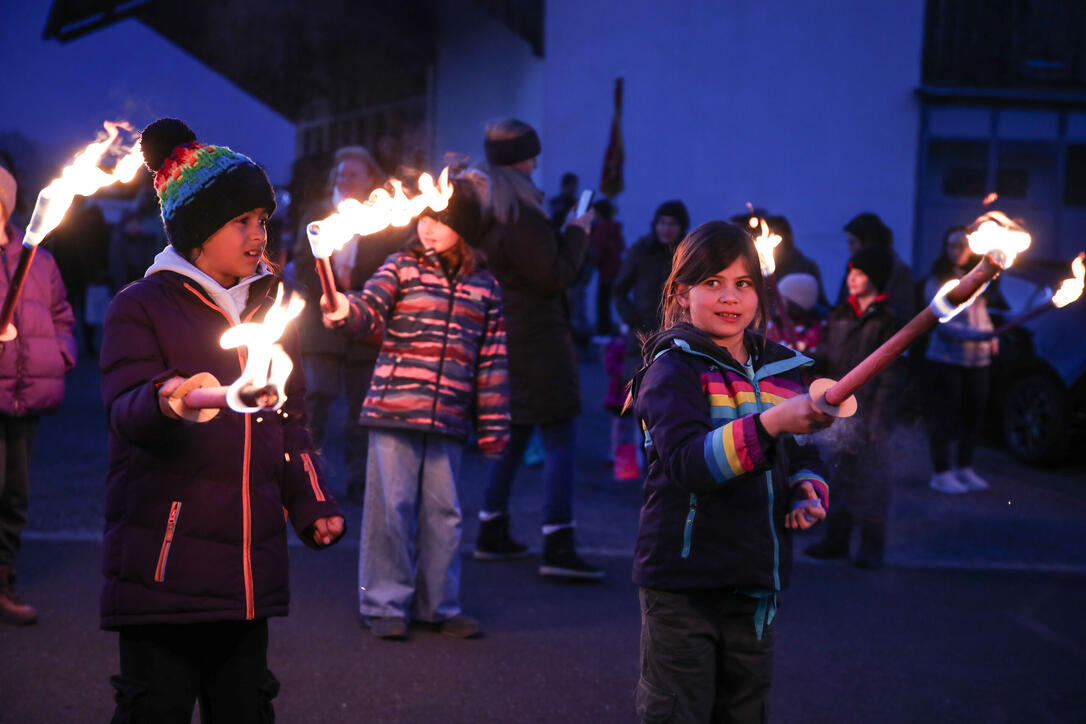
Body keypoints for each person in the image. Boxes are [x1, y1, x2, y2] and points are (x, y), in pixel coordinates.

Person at [99, 118, 344, 721]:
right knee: (154, 708)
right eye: (242, 222)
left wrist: (311, 502)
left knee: (245, 708)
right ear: (197, 232)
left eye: (263, 220)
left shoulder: (269, 311)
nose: (259, 234)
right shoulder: (141, 306)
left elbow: (289, 422)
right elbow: (126, 404)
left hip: (245, 573)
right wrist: (169, 397)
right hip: (166, 569)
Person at [628, 220, 832, 723]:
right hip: (683, 583)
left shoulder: (781, 370)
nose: (729, 297)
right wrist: (769, 424)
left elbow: (799, 450)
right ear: (681, 295)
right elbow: (688, 464)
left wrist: (807, 486)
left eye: (742, 284)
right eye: (712, 282)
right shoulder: (672, 369)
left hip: (756, 579)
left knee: (744, 711)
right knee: (678, 711)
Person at [321, 174, 509, 639]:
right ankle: (385, 604)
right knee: (391, 509)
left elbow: (492, 361)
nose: (428, 226)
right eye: (425, 217)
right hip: (394, 409)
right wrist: (344, 310)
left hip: (447, 416)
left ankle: (438, 605)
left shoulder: (485, 288)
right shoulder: (400, 267)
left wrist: (493, 425)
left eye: (441, 220)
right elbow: (369, 309)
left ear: (464, 228)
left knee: (444, 515)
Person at [472, 118, 602, 579]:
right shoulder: (522, 215)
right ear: (522, 160)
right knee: (560, 435)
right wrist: (577, 232)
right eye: (531, 155)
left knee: (518, 432)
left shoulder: (488, 210)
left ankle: (491, 528)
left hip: (508, 335)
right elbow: (552, 277)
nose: (536, 162)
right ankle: (558, 543)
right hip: (539, 339)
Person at [293, 146, 405, 505]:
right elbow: (300, 260)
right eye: (342, 175)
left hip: (364, 323)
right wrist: (329, 287)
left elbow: (391, 268)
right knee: (316, 399)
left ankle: (359, 479)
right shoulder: (316, 215)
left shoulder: (385, 221)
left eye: (354, 175)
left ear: (370, 179)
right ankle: (306, 477)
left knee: (363, 406)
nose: (346, 180)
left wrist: (356, 289)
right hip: (320, 325)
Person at [0, 162, 77, 625]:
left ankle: (3, 578)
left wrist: (60, 355)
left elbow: (62, 316)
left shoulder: (39, 262)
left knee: (14, 493)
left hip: (25, 396)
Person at [806, 247, 904, 569]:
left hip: (872, 411)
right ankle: (837, 539)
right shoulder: (841, 315)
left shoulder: (888, 322)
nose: (851, 278)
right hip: (841, 412)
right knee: (840, 474)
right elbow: (828, 357)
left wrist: (879, 424)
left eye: (859, 273)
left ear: (874, 279)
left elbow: (890, 377)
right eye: (850, 272)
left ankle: (872, 546)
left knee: (873, 481)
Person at [923, 226, 997, 494]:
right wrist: (980, 335)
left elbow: (981, 313)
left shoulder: (980, 278)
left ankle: (964, 467)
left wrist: (991, 338)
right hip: (946, 360)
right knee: (945, 416)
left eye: (963, 246)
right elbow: (942, 322)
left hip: (977, 362)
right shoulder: (938, 279)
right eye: (953, 245)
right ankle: (941, 472)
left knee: (972, 415)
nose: (958, 251)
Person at [613, 200, 689, 380]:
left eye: (672, 224)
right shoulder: (641, 251)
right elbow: (619, 289)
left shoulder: (688, 253)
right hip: (644, 329)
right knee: (639, 384)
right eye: (662, 223)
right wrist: (631, 318)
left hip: (679, 329)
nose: (666, 229)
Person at [837, 212, 914, 317]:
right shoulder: (852, 267)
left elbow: (905, 311)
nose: (850, 249)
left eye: (853, 243)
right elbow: (842, 303)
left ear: (867, 242)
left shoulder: (898, 270)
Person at [591, 198, 625, 335]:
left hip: (606, 270)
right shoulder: (614, 228)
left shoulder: (600, 228)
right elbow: (621, 246)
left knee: (603, 302)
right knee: (613, 300)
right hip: (616, 268)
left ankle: (603, 331)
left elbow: (599, 249)